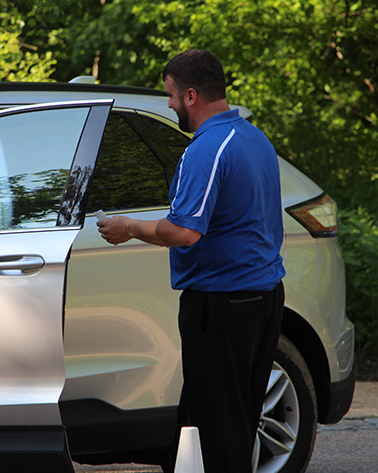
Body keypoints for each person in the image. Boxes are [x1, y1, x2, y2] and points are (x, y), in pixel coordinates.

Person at [97, 49, 286, 473]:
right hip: (265, 297)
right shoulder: (255, 138)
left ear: (192, 96)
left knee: (216, 429)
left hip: (222, 303)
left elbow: (185, 232)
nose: (168, 104)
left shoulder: (206, 150)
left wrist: (129, 227)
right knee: (234, 420)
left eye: (170, 95)